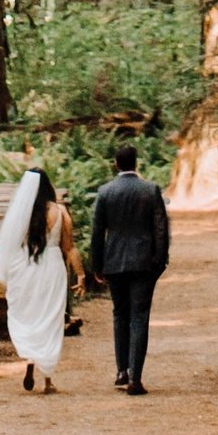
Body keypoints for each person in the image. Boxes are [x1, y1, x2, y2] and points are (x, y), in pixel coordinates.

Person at [86, 136, 171, 394]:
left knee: (119, 315)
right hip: (144, 263)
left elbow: (97, 232)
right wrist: (160, 260)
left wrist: (96, 266)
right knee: (139, 318)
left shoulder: (105, 192)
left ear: (115, 164)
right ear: (136, 163)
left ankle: (121, 370)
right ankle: (135, 376)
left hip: (114, 262)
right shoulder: (150, 190)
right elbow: (160, 228)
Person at [0, 163, 81, 393]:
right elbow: (69, 248)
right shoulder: (60, 212)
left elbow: (11, 244)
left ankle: (30, 359)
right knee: (50, 317)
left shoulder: (21, 213)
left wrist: (9, 273)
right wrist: (81, 274)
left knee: (28, 314)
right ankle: (48, 379)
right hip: (51, 267)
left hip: (25, 267)